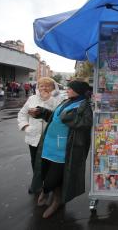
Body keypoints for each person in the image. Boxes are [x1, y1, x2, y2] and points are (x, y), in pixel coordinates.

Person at [30, 80, 93, 218]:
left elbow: (85, 124)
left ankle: (55, 200)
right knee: (45, 174)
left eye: (71, 88)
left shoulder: (85, 106)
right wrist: (42, 112)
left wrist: (69, 118)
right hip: (48, 146)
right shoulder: (66, 101)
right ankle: (49, 193)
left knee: (54, 179)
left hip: (63, 150)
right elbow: (55, 117)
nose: (68, 90)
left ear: (79, 91)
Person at [17, 77, 63, 193]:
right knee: (35, 161)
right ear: (37, 87)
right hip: (33, 136)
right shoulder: (32, 98)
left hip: (50, 137)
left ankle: (49, 186)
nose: (44, 88)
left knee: (49, 162)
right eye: (41, 85)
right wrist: (26, 126)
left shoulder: (59, 99)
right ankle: (37, 184)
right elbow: (22, 114)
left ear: (53, 87)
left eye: (48, 85)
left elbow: (59, 115)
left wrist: (48, 99)